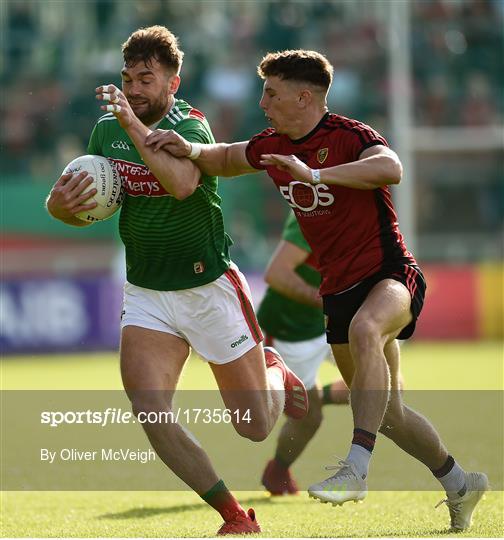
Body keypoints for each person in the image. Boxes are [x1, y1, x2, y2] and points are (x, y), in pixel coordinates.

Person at [144, 49, 488, 532]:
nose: (262, 103)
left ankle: (355, 469)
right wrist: (191, 150)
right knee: (389, 414)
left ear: (304, 97)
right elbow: (226, 157)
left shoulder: (349, 136)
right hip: (339, 288)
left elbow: (391, 168)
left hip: (389, 273)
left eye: (271, 93)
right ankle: (459, 482)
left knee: (369, 328)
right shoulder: (272, 144)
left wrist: (315, 175)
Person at [45, 27, 310, 536]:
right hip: (147, 292)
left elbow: (184, 184)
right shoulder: (107, 131)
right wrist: (59, 208)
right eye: (128, 78)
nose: (134, 87)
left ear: (173, 82)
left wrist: (131, 122)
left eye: (146, 78)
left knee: (255, 427)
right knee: (150, 409)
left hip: (208, 288)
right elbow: (85, 203)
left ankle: (273, 372)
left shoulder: (192, 125)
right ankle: (234, 515)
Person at [257, 211, 349, 496]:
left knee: (385, 387)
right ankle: (278, 472)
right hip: (290, 329)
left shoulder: (366, 212)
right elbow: (276, 274)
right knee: (310, 418)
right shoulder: (315, 209)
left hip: (331, 321)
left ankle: (312, 397)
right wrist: (329, 301)